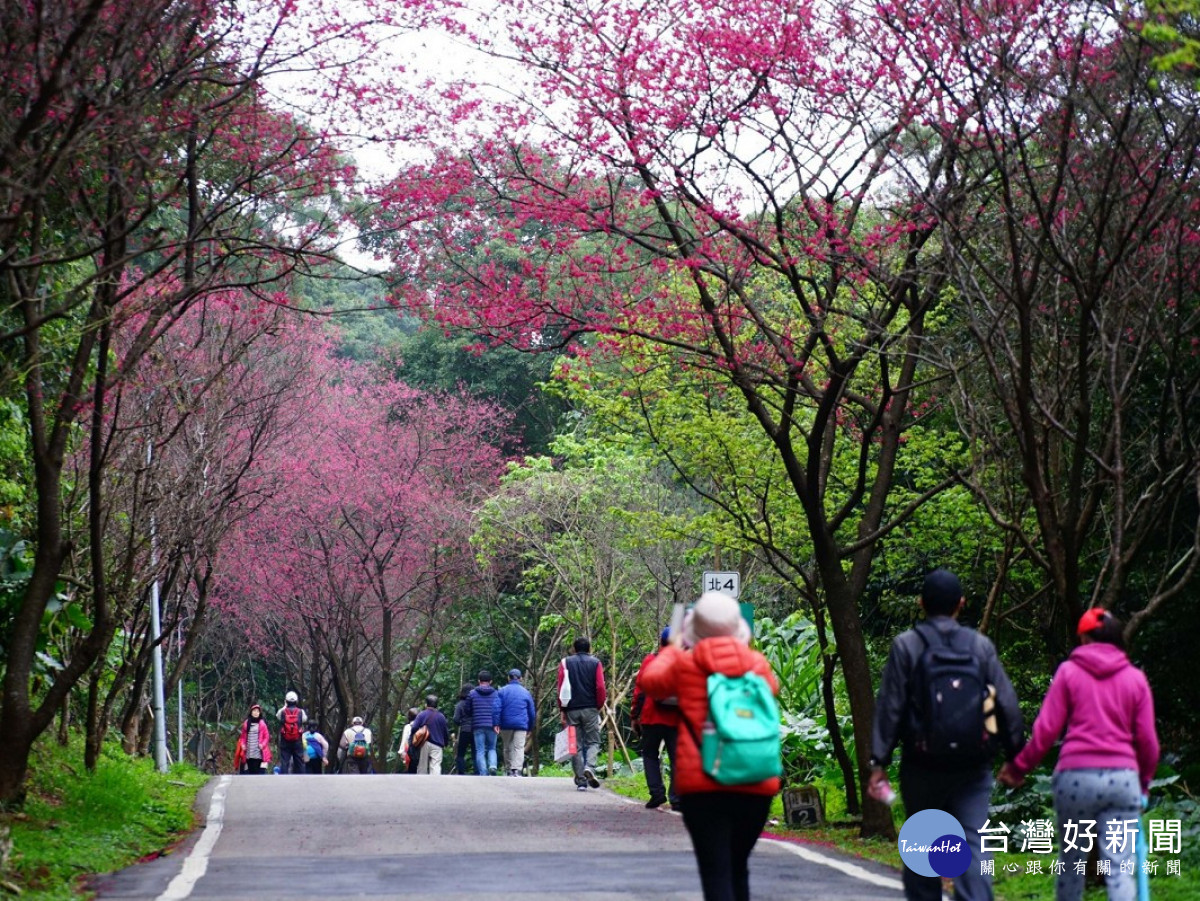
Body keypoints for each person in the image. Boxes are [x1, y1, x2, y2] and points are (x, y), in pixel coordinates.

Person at [869, 569, 1025, 901]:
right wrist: (1016, 758)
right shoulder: (980, 646)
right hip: (973, 765)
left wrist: (878, 762)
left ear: (921, 603)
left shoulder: (907, 646)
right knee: (973, 845)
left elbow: (891, 706)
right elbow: (1006, 704)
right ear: (961, 604)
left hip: (923, 764)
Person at [999, 608, 1160, 901]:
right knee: (1120, 869)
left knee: (1072, 864)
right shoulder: (1135, 679)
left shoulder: (1069, 673)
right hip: (1123, 781)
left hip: (1075, 780)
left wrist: (1019, 767)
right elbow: (1148, 742)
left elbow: (1046, 730)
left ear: (1084, 637)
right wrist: (1145, 783)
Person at [640, 591, 779, 901]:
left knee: (716, 871)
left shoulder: (686, 665)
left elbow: (650, 682)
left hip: (703, 783)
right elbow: (771, 691)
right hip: (755, 780)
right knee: (738, 866)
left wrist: (674, 649)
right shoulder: (757, 664)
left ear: (694, 631)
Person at [632, 626, 680, 808]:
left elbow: (640, 690)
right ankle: (677, 798)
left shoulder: (650, 660)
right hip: (676, 719)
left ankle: (657, 793)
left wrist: (635, 715)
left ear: (661, 642)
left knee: (650, 754)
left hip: (652, 717)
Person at [557, 637, 607, 791]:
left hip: (572, 708)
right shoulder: (595, 663)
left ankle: (581, 781)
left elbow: (560, 687)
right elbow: (600, 686)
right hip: (590, 707)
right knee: (593, 741)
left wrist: (562, 709)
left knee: (575, 745)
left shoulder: (565, 662)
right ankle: (590, 767)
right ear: (589, 648)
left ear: (574, 648)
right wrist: (598, 705)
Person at [498, 668, 536, 776]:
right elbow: (531, 712)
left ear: (508, 678)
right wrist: (530, 727)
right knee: (519, 747)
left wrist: (496, 723)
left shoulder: (502, 691)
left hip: (506, 724)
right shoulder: (526, 693)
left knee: (507, 747)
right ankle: (517, 770)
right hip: (521, 725)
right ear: (521, 679)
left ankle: (509, 769)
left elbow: (496, 708)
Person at [468, 671, 502, 775]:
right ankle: (492, 766)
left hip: (478, 725)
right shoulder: (496, 693)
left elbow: (467, 709)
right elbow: (499, 709)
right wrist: (498, 723)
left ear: (479, 681)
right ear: (491, 681)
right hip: (492, 725)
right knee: (492, 747)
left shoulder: (472, 693)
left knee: (480, 750)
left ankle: (483, 773)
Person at [410, 695, 451, 775]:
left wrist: (416, 736)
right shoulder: (441, 716)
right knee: (435, 766)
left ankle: (422, 784)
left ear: (426, 704)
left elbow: (414, 728)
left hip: (424, 743)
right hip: (437, 744)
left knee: (422, 766)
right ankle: (435, 783)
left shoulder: (421, 715)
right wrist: (446, 743)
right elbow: (445, 732)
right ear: (436, 705)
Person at [275, 690, 308, 774]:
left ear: (286, 701)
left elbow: (278, 717)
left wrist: (284, 706)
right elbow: (304, 719)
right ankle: (301, 778)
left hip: (285, 740)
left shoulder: (282, 712)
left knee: (285, 760)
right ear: (296, 701)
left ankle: (284, 778)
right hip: (297, 740)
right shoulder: (301, 712)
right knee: (299, 761)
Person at [234, 703, 271, 775]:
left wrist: (262, 745)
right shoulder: (246, 723)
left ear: (259, 713)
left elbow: (266, 737)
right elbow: (242, 737)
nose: (256, 713)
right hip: (248, 752)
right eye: (254, 711)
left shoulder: (262, 724)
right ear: (251, 712)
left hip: (259, 752)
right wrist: (243, 745)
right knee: (249, 772)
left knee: (258, 772)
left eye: (257, 711)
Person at [452, 684, 475, 774]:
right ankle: (477, 772)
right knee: (476, 753)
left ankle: (461, 773)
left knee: (461, 753)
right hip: (475, 730)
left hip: (464, 730)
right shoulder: (476, 703)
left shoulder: (460, 704)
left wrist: (461, 723)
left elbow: (456, 719)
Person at [398, 707, 421, 774]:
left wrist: (402, 752)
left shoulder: (408, 727)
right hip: (420, 751)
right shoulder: (422, 726)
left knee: (411, 770)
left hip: (410, 752)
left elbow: (404, 740)